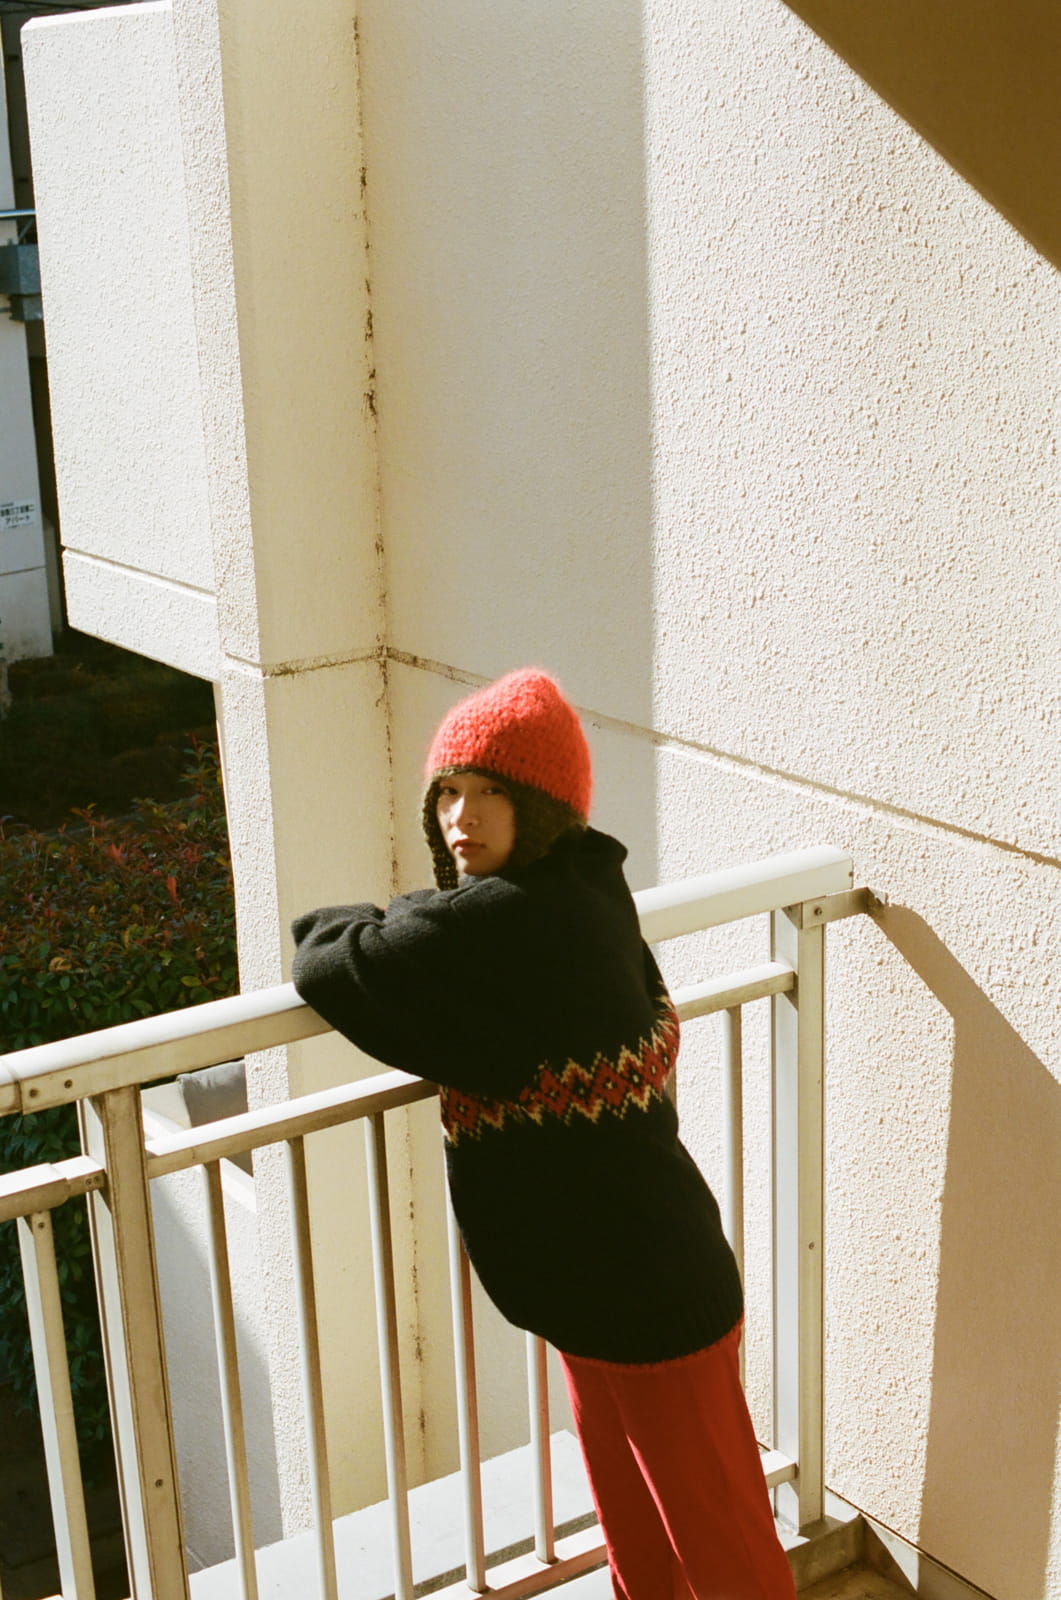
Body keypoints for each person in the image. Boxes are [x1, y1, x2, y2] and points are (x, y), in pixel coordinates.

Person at [291, 668, 797, 1600]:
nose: (461, 815)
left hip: (650, 1297)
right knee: (639, 1526)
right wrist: (421, 916)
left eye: (492, 790)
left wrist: (383, 914)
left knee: (724, 1550)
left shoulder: (515, 923)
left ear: (543, 805)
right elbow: (438, 947)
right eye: (447, 790)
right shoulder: (587, 884)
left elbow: (330, 955)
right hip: (602, 1287)